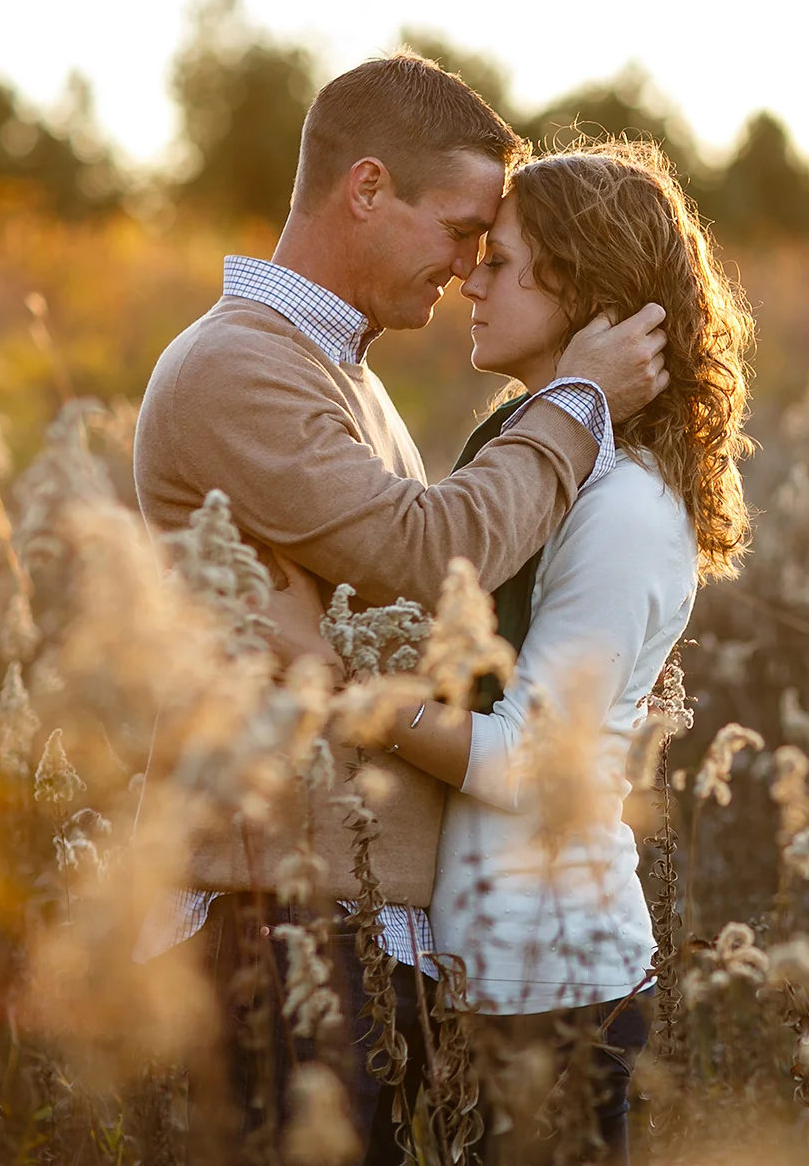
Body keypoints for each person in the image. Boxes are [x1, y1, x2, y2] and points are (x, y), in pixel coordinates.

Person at [129, 52, 669, 1165]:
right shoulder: (240, 370)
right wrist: (578, 402)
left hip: (350, 922)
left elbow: (410, 624)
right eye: (462, 228)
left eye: (490, 248)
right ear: (366, 189)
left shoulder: (344, 376)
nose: (470, 266)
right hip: (277, 918)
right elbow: (433, 555)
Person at [277, 138, 752, 1164]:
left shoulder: (624, 506)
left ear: (578, 287)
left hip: (553, 976)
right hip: (483, 963)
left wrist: (356, 695)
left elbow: (541, 760)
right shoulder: (532, 453)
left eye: (498, 261)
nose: (468, 281)